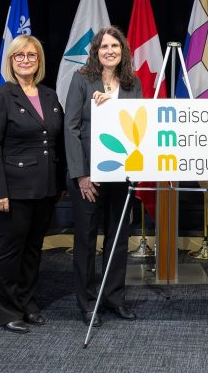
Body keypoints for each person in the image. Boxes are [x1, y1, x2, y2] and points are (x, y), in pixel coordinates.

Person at [0, 35, 65, 334]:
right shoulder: (2, 96)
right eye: (19, 56)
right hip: (13, 189)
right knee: (11, 250)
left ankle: (27, 303)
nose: (26, 60)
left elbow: (57, 142)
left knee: (33, 248)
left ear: (39, 60)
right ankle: (6, 310)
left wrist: (61, 181)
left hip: (44, 187)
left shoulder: (49, 95)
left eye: (31, 55)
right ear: (11, 61)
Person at [64, 26, 142, 327]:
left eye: (115, 46)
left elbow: (138, 124)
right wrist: (81, 175)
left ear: (123, 51)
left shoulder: (132, 84)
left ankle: (113, 298)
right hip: (89, 175)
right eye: (104, 46)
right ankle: (86, 302)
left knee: (118, 238)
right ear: (95, 51)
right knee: (85, 238)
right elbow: (71, 128)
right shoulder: (82, 80)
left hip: (122, 174)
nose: (109, 51)